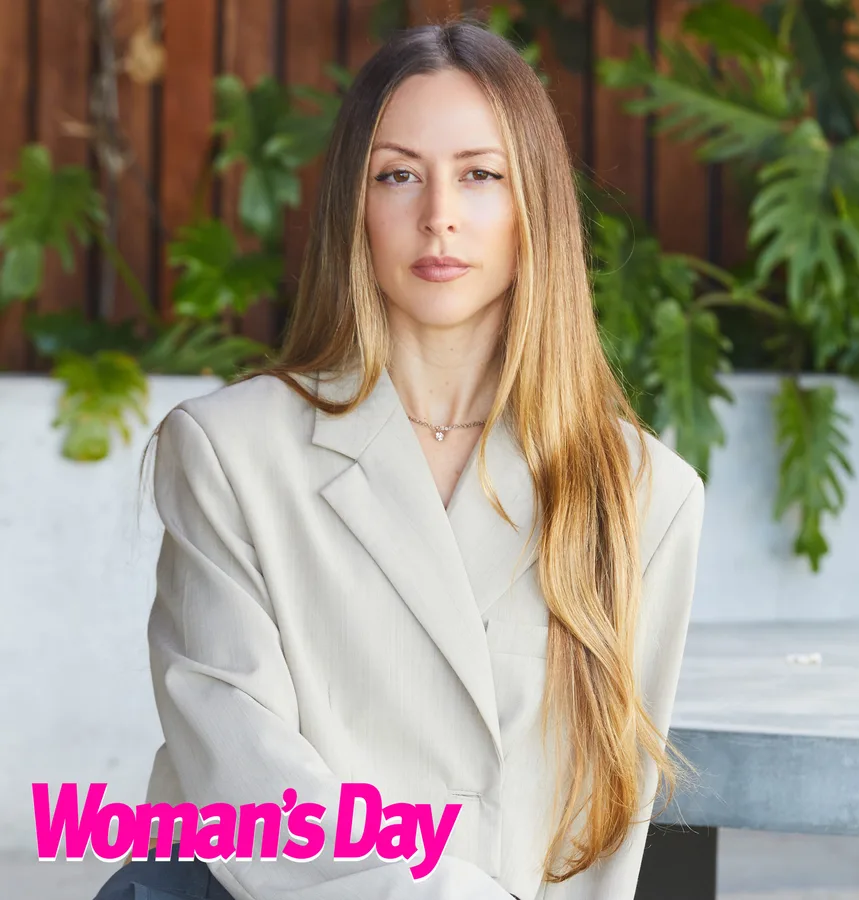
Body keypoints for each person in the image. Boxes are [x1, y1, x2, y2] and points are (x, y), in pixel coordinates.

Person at [93, 16, 705, 900]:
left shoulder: (647, 496)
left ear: (533, 206)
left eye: (481, 176)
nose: (439, 216)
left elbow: (603, 824)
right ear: (356, 205)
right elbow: (241, 775)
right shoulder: (228, 452)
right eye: (399, 175)